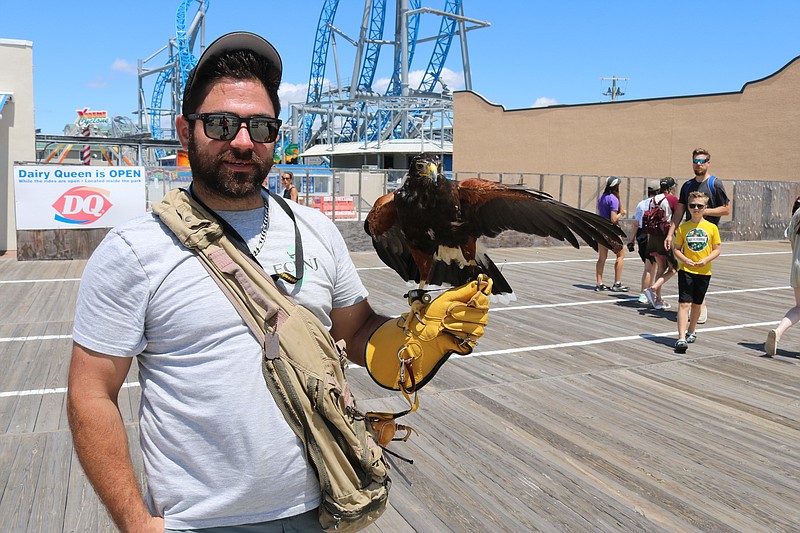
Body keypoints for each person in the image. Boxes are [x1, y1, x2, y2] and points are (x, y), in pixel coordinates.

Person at [66, 32, 486, 532]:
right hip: (199, 523)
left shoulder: (317, 230)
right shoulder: (135, 250)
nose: (242, 141)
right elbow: (90, 393)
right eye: (221, 124)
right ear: (185, 131)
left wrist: (421, 337)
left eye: (260, 126)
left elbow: (355, 331)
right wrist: (136, 523)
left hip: (325, 507)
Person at [665, 148, 730, 324]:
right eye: (696, 161)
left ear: (708, 163)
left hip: (707, 237)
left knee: (701, 271)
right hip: (688, 236)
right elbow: (679, 211)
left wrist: (702, 210)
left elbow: (726, 209)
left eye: (702, 161)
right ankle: (692, 306)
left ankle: (699, 305)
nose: (699, 164)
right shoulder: (687, 186)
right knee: (686, 269)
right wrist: (670, 234)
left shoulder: (714, 184)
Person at [671, 191, 721, 353]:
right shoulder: (683, 227)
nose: (696, 209)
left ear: (705, 208)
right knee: (684, 303)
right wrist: (685, 260)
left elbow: (717, 249)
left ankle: (692, 330)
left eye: (700, 206)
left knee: (697, 304)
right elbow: (676, 249)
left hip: (704, 271)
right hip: (686, 270)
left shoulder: (711, 228)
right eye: (692, 206)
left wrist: (706, 260)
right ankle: (681, 337)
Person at [765, 196, 800, 355]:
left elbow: (792, 240)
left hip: (796, 267)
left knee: (799, 307)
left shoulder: (797, 215)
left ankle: (778, 332)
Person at [643, 177, 679, 310]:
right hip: (666, 236)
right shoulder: (673, 199)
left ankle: (657, 299)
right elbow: (677, 217)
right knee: (674, 268)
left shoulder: (653, 199)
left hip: (653, 236)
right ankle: (652, 289)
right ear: (672, 187)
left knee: (661, 268)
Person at [595, 176, 629, 292]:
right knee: (620, 256)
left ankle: (599, 283)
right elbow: (613, 219)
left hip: (600, 229)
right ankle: (617, 283)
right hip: (611, 231)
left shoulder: (601, 198)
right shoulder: (613, 199)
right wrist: (622, 213)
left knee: (602, 257)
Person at [630, 182, 659, 304]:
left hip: (642, 234)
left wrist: (631, 239)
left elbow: (636, 223)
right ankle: (645, 292)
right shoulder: (660, 203)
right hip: (654, 234)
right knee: (651, 267)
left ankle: (646, 292)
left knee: (649, 266)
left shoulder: (641, 204)